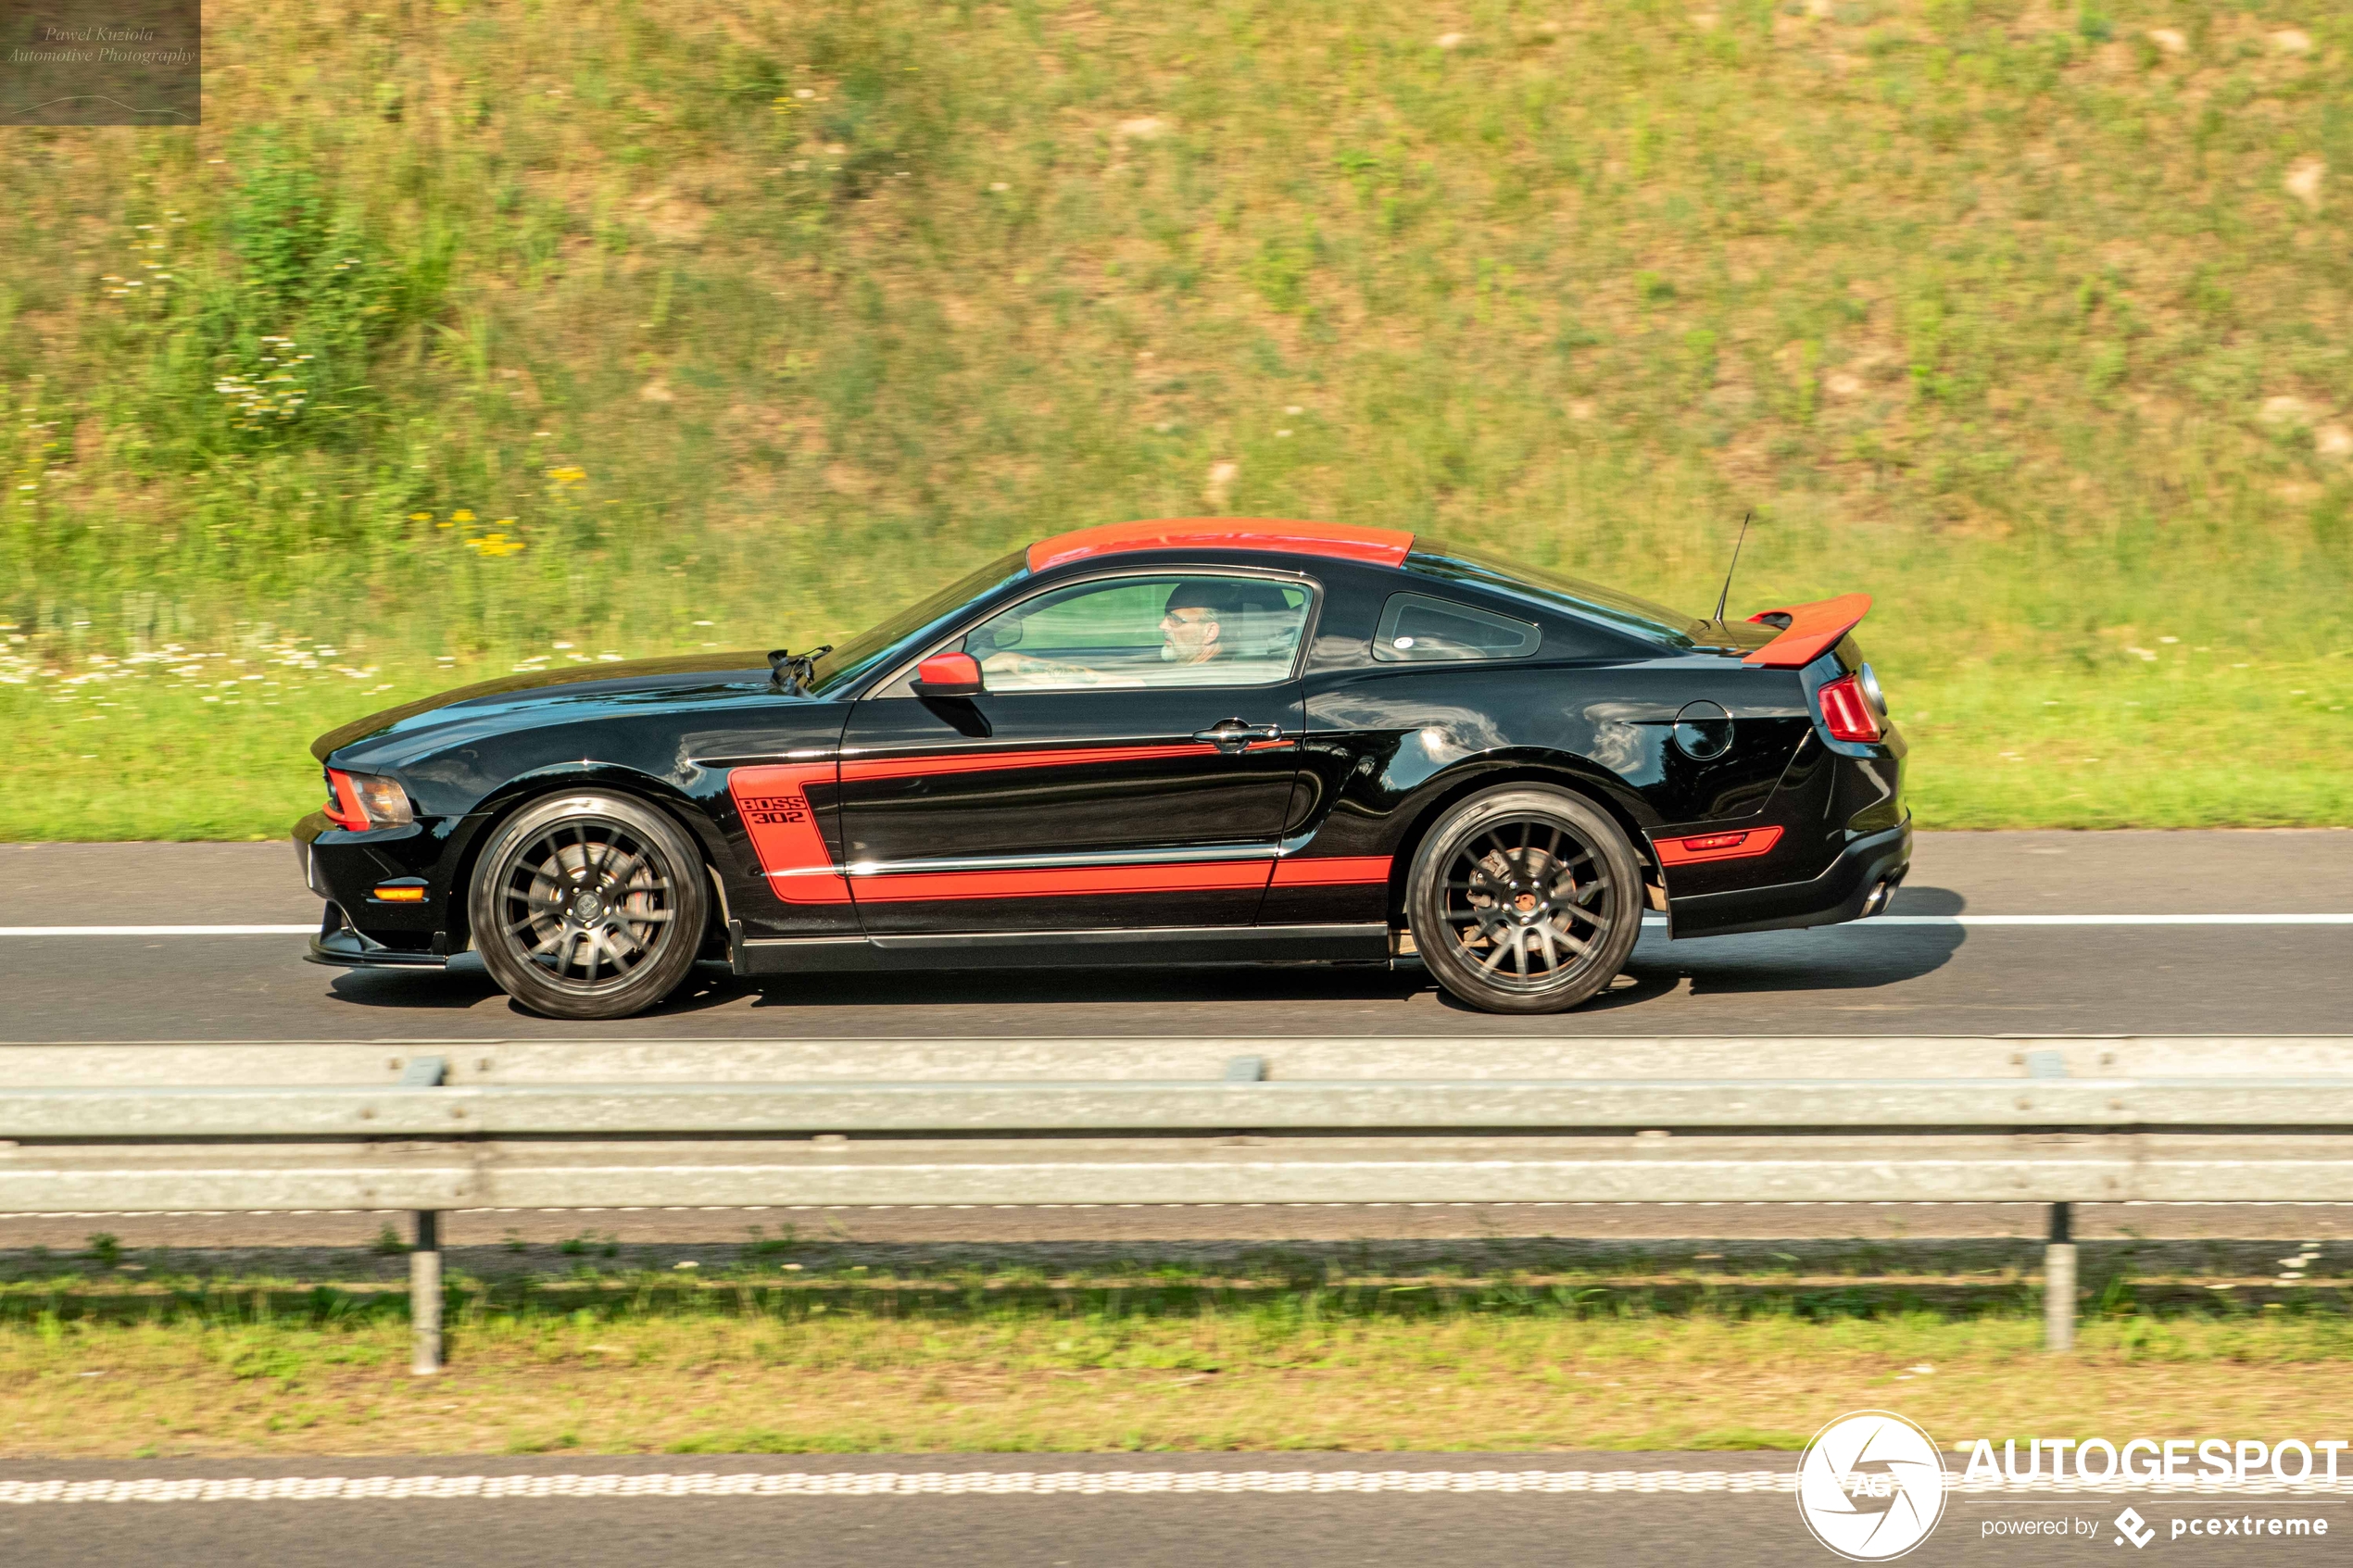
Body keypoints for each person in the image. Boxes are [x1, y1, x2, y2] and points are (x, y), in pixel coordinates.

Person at [975, 581, 1243, 687]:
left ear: (1210, 632)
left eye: (1175, 619)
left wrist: (1011, 662)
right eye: (1165, 615)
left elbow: (1102, 682)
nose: (1162, 625)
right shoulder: (1219, 667)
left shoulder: (1204, 681)